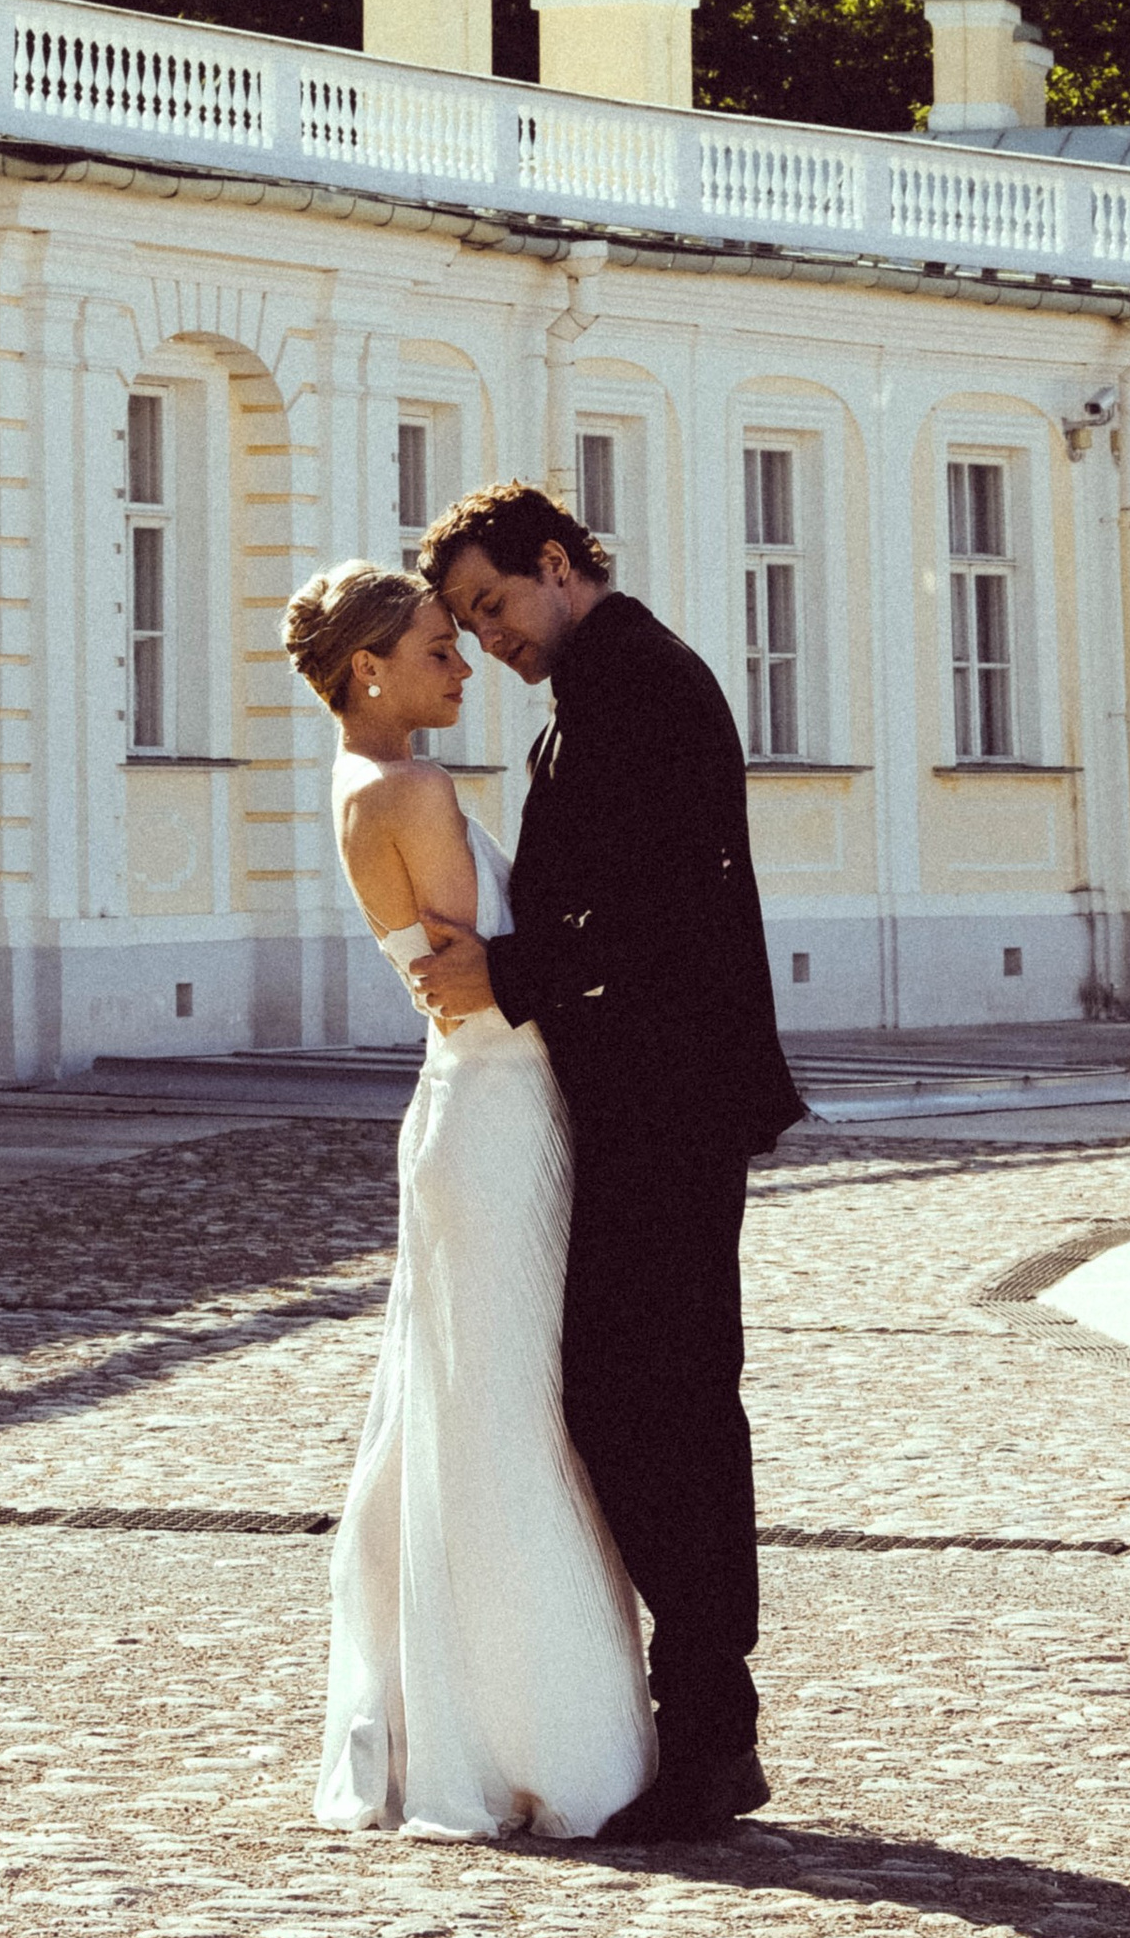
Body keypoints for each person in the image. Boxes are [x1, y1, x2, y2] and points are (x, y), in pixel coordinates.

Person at [411, 480, 805, 1844]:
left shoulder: (635, 684)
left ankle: (709, 1728)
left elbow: (640, 913)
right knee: (648, 1399)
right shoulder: (606, 686)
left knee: (664, 1405)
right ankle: (699, 1719)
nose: (494, 638)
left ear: (565, 562)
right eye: (466, 620)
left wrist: (505, 970)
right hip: (650, 1094)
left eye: (496, 603)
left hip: (673, 1096)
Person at [281, 558, 655, 1841]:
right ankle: (532, 1735)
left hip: (467, 1108)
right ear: (370, 667)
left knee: (458, 1407)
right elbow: (478, 984)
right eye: (440, 644)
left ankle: (456, 1709)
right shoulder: (413, 786)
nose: (463, 663)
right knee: (499, 1412)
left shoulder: (360, 785)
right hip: (498, 1112)